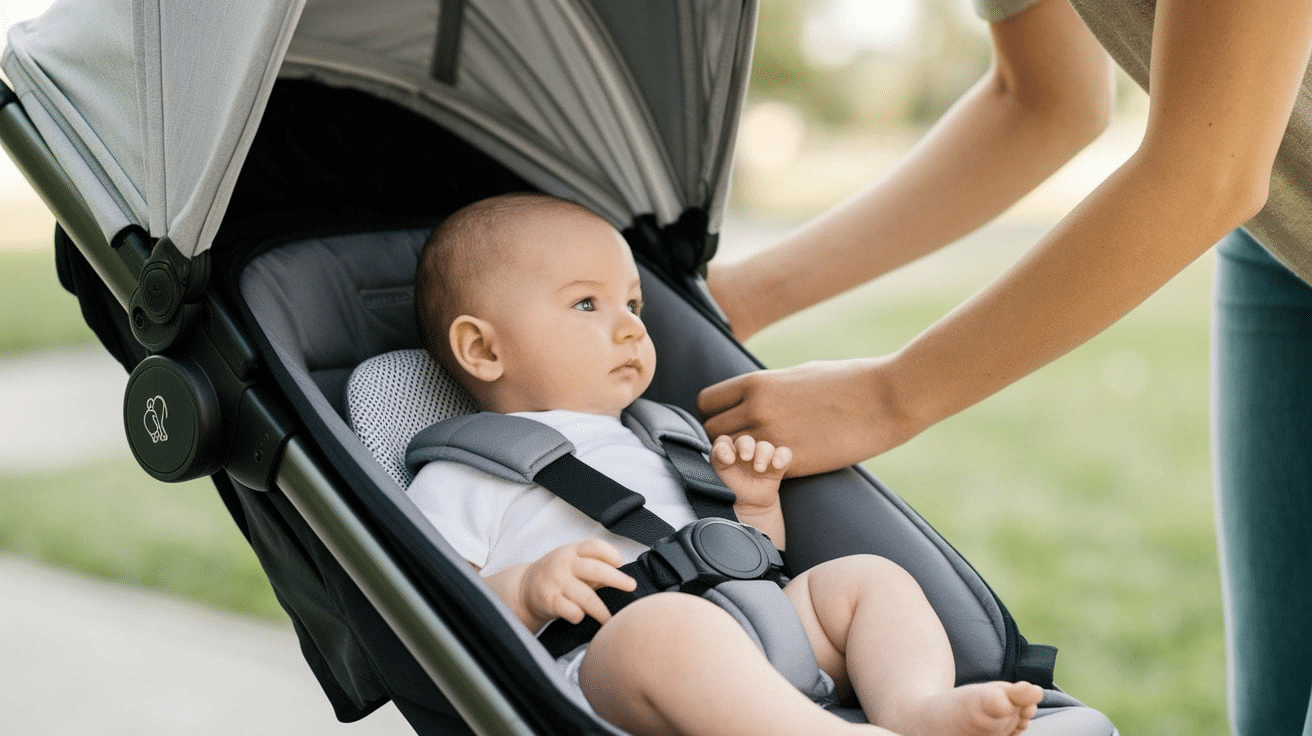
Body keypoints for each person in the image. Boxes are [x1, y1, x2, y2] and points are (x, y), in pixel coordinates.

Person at [698, 2, 1312, 735]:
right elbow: (1043, 99)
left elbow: (1207, 170)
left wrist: (884, 397)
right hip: (1280, 227)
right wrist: (736, 300)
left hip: (1247, 184)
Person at [407, 192, 1044, 736]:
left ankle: (913, 708)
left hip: (757, 632)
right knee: (664, 629)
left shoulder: (663, 437)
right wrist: (521, 591)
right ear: (483, 348)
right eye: (585, 305)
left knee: (865, 579)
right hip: (608, 665)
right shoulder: (467, 471)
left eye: (633, 305)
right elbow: (430, 602)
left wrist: (754, 506)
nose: (630, 328)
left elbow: (754, 561)